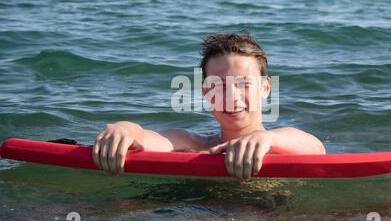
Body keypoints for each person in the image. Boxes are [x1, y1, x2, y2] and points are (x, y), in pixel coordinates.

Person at [93, 33, 325, 182]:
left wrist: (268, 140)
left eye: (244, 84)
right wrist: (125, 129)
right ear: (206, 92)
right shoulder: (193, 144)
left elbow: (317, 150)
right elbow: (148, 138)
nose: (232, 96)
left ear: (265, 88)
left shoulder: (280, 144)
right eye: (220, 86)